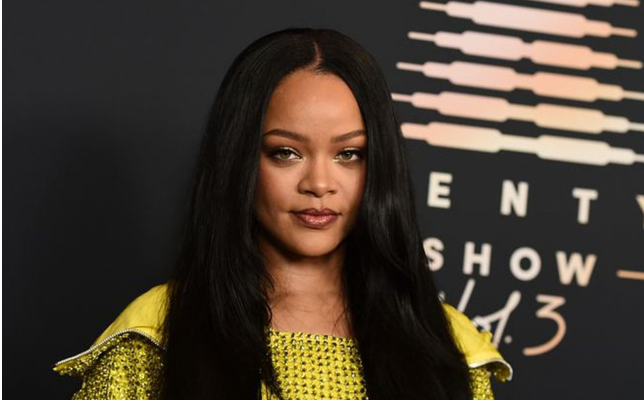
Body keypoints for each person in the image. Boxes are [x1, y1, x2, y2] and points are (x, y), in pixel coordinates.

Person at [54, 27, 512, 400]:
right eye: (286, 152)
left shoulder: (447, 342)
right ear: (239, 160)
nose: (319, 183)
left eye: (349, 154)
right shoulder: (158, 330)